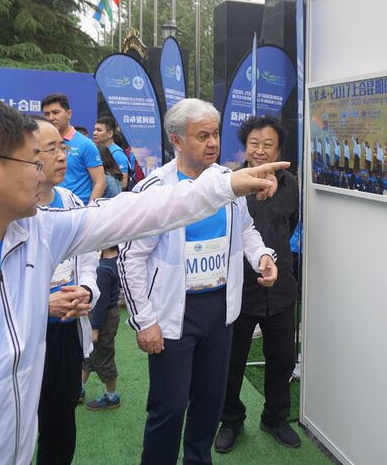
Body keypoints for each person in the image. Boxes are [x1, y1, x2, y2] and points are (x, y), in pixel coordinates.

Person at [0, 98, 288, 464]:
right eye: (34, 160)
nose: (45, 171)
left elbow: (136, 213)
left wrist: (228, 184)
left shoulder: (40, 229)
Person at [119, 99, 278, 465]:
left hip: (219, 310)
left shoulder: (227, 182)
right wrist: (144, 320)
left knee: (209, 402)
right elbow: (132, 257)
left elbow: (246, 229)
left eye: (216, 133)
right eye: (202, 135)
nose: (212, 142)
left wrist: (263, 256)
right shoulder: (155, 189)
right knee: (170, 407)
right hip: (173, 313)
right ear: (176, 140)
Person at [216, 116, 300, 454]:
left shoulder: (290, 183)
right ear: (245, 147)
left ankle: (276, 418)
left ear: (279, 149)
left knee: (281, 357)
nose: (261, 150)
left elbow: (290, 223)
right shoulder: (227, 183)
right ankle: (230, 419)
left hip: (281, 286)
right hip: (240, 285)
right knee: (232, 359)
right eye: (254, 143)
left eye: (268, 144)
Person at [33, 117, 99, 465]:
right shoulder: (10, 211)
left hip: (68, 332)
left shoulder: (72, 201)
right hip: (27, 336)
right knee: (19, 424)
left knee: (61, 425)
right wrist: (42, 305)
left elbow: (88, 258)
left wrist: (86, 288)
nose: (62, 156)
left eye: (63, 147)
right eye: (51, 149)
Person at [41, 93, 106, 202]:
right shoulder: (41, 142)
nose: (51, 118)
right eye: (46, 114)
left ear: (69, 114)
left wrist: (89, 211)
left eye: (55, 112)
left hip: (77, 211)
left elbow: (100, 182)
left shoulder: (85, 144)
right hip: (48, 209)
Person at [82, 245, 123, 411]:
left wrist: (95, 329)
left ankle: (111, 396)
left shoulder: (103, 269)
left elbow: (100, 303)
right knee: (89, 353)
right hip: (108, 315)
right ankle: (79, 388)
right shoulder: (117, 261)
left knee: (103, 355)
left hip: (103, 318)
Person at [93, 116, 130, 190]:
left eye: (99, 130)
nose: (94, 133)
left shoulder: (117, 155)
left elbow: (123, 183)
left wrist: (101, 188)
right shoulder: (96, 150)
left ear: (110, 134)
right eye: (94, 129)